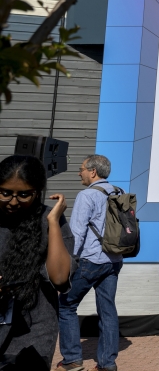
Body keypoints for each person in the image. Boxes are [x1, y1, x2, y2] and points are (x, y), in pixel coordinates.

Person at [0, 155, 73, 371]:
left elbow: (60, 279)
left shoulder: (49, 220)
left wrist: (53, 221)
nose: (13, 201)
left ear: (37, 191)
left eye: (24, 195)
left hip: (33, 329)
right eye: (5, 193)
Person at [57, 155, 123, 371]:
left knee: (66, 306)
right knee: (108, 311)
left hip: (90, 260)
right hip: (114, 260)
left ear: (93, 171)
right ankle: (107, 364)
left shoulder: (87, 196)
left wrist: (70, 262)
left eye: (81, 169)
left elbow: (76, 233)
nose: (79, 173)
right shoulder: (119, 192)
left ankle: (72, 360)